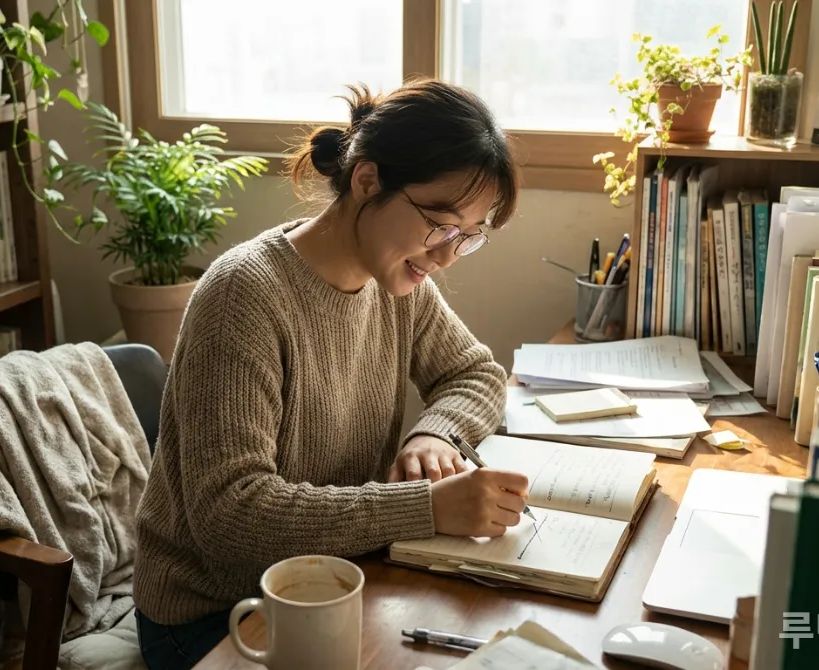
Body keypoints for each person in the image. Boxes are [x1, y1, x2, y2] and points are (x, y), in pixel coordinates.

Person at [132, 78, 528, 670]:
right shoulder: (244, 297)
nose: (446, 255)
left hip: (343, 573)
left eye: (468, 237)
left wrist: (435, 433)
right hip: (217, 614)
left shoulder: (399, 279)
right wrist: (426, 507)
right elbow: (231, 515)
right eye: (440, 225)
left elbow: (475, 372)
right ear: (367, 180)